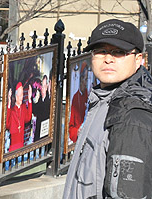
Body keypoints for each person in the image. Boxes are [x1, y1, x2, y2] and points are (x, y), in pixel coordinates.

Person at [63, 19, 152, 198]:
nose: (108, 58)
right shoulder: (103, 100)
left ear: (138, 59)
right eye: (101, 51)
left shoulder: (130, 116)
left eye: (119, 52)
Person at [5, 82, 32, 152]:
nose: (21, 97)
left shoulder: (23, 108)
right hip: (13, 143)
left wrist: (29, 99)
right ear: (16, 96)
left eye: (22, 95)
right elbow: (7, 125)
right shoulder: (12, 110)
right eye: (20, 95)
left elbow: (28, 119)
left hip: (21, 142)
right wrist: (9, 103)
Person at [68, 61, 89, 143]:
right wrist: (77, 131)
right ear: (81, 79)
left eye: (87, 79)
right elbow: (71, 125)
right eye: (85, 79)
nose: (86, 83)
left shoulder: (88, 94)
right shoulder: (76, 97)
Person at [32, 75, 50, 142]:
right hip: (38, 134)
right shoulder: (39, 99)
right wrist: (32, 99)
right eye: (42, 85)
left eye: (44, 86)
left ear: (47, 87)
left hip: (45, 135)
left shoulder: (49, 100)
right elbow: (34, 111)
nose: (42, 88)